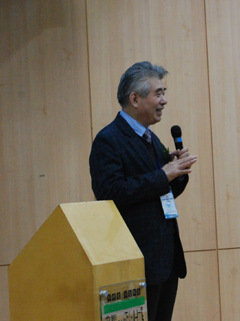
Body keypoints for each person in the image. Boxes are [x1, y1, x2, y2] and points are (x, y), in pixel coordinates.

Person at [89, 61, 197, 321]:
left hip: (165, 260)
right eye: (158, 93)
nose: (164, 100)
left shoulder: (150, 137)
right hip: (136, 263)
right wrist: (164, 174)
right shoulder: (109, 140)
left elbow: (160, 191)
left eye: (164, 93)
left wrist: (177, 172)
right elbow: (109, 192)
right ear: (135, 99)